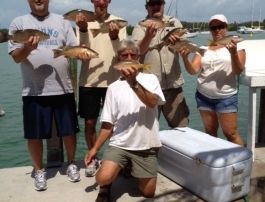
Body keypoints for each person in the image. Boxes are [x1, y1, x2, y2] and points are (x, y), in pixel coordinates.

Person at [8, 0, 81, 191]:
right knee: (34, 134)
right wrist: (27, 49)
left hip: (63, 87)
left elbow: (72, 48)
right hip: (34, 90)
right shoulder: (18, 23)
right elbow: (16, 57)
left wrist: (79, 54)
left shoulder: (63, 22)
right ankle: (39, 170)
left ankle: (72, 163)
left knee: (69, 130)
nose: (39, 0)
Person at [84, 39, 166, 202]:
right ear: (118, 60)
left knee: (148, 193)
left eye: (132, 55)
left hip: (146, 146)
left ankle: (130, 167)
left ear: (138, 58)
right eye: (124, 55)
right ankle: (107, 186)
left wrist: (133, 83)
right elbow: (108, 124)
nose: (129, 58)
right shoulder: (113, 88)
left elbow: (152, 102)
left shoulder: (151, 80)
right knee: (102, 178)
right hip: (119, 144)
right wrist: (95, 149)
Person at [75, 0, 127, 177]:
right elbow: (80, 50)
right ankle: (93, 158)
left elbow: (122, 53)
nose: (102, 2)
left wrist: (114, 37)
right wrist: (82, 29)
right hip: (88, 81)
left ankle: (115, 160)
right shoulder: (82, 21)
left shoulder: (119, 22)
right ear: (92, 1)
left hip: (113, 82)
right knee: (89, 122)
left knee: (115, 124)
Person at [177, 14, 245, 146]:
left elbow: (238, 71)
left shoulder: (238, 47)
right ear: (210, 30)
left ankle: (242, 164)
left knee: (231, 134)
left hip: (226, 97)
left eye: (221, 26)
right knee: (210, 132)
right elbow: (193, 71)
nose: (217, 30)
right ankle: (215, 163)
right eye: (213, 28)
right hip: (204, 97)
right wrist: (185, 58)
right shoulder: (203, 49)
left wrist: (233, 53)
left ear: (226, 28)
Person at [132, 0, 190, 129]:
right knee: (147, 129)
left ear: (163, 5)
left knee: (181, 128)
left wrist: (177, 44)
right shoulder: (141, 25)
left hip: (174, 86)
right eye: (152, 4)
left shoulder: (174, 22)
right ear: (147, 8)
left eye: (159, 3)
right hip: (149, 88)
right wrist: (148, 36)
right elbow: (137, 52)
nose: (156, 6)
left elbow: (185, 48)